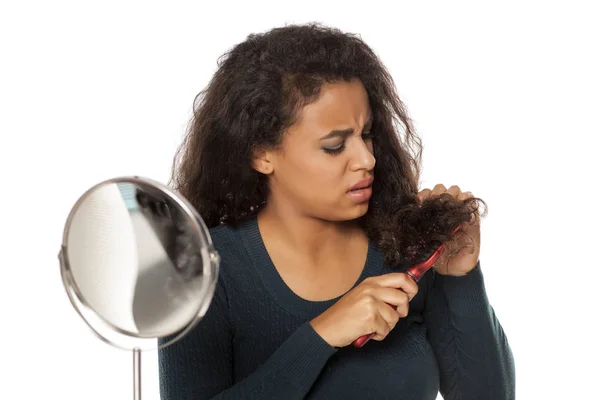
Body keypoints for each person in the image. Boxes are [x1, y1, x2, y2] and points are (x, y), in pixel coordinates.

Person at [158, 23, 515, 399]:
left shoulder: (409, 248)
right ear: (261, 153)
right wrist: (321, 336)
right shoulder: (201, 273)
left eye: (366, 135)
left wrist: (461, 279)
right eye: (334, 146)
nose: (366, 158)